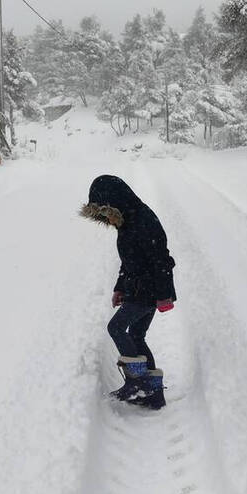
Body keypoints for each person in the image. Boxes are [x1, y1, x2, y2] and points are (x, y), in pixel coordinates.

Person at [80, 175, 176, 410]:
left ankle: (137, 381)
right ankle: (153, 393)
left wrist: (163, 295)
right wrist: (120, 287)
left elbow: (161, 260)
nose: (105, 218)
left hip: (149, 289)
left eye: (105, 212)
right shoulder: (128, 221)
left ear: (115, 202)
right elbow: (129, 260)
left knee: (115, 328)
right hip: (137, 288)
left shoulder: (143, 221)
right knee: (136, 336)